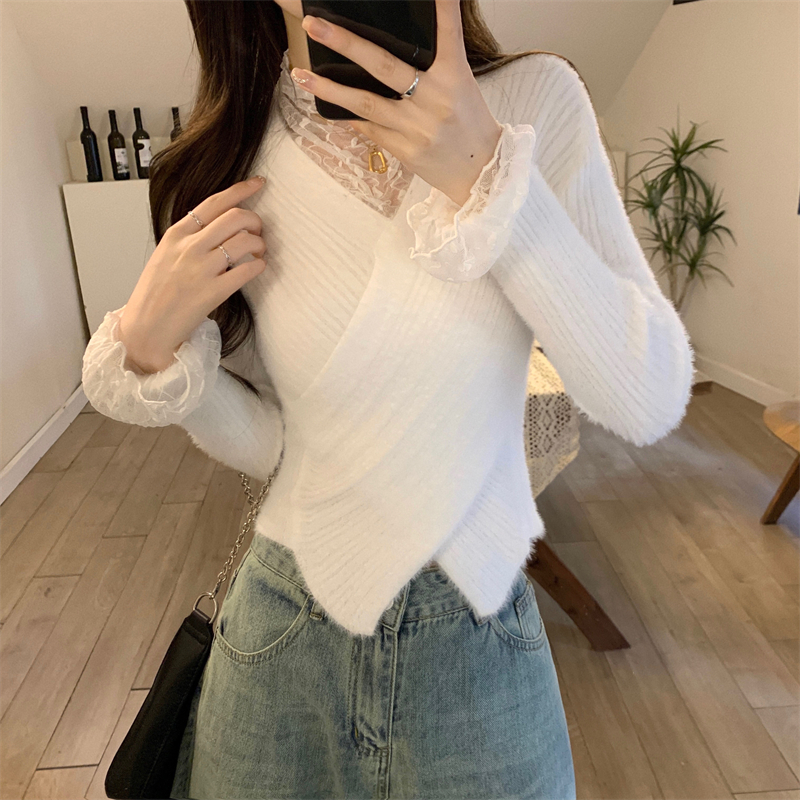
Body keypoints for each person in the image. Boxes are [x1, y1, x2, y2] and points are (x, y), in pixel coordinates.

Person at [82, 0, 695, 797]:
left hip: (475, 634)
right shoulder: (231, 151)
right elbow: (280, 448)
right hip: (282, 636)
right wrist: (154, 354)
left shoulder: (533, 102)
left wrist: (490, 179)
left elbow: (646, 396)